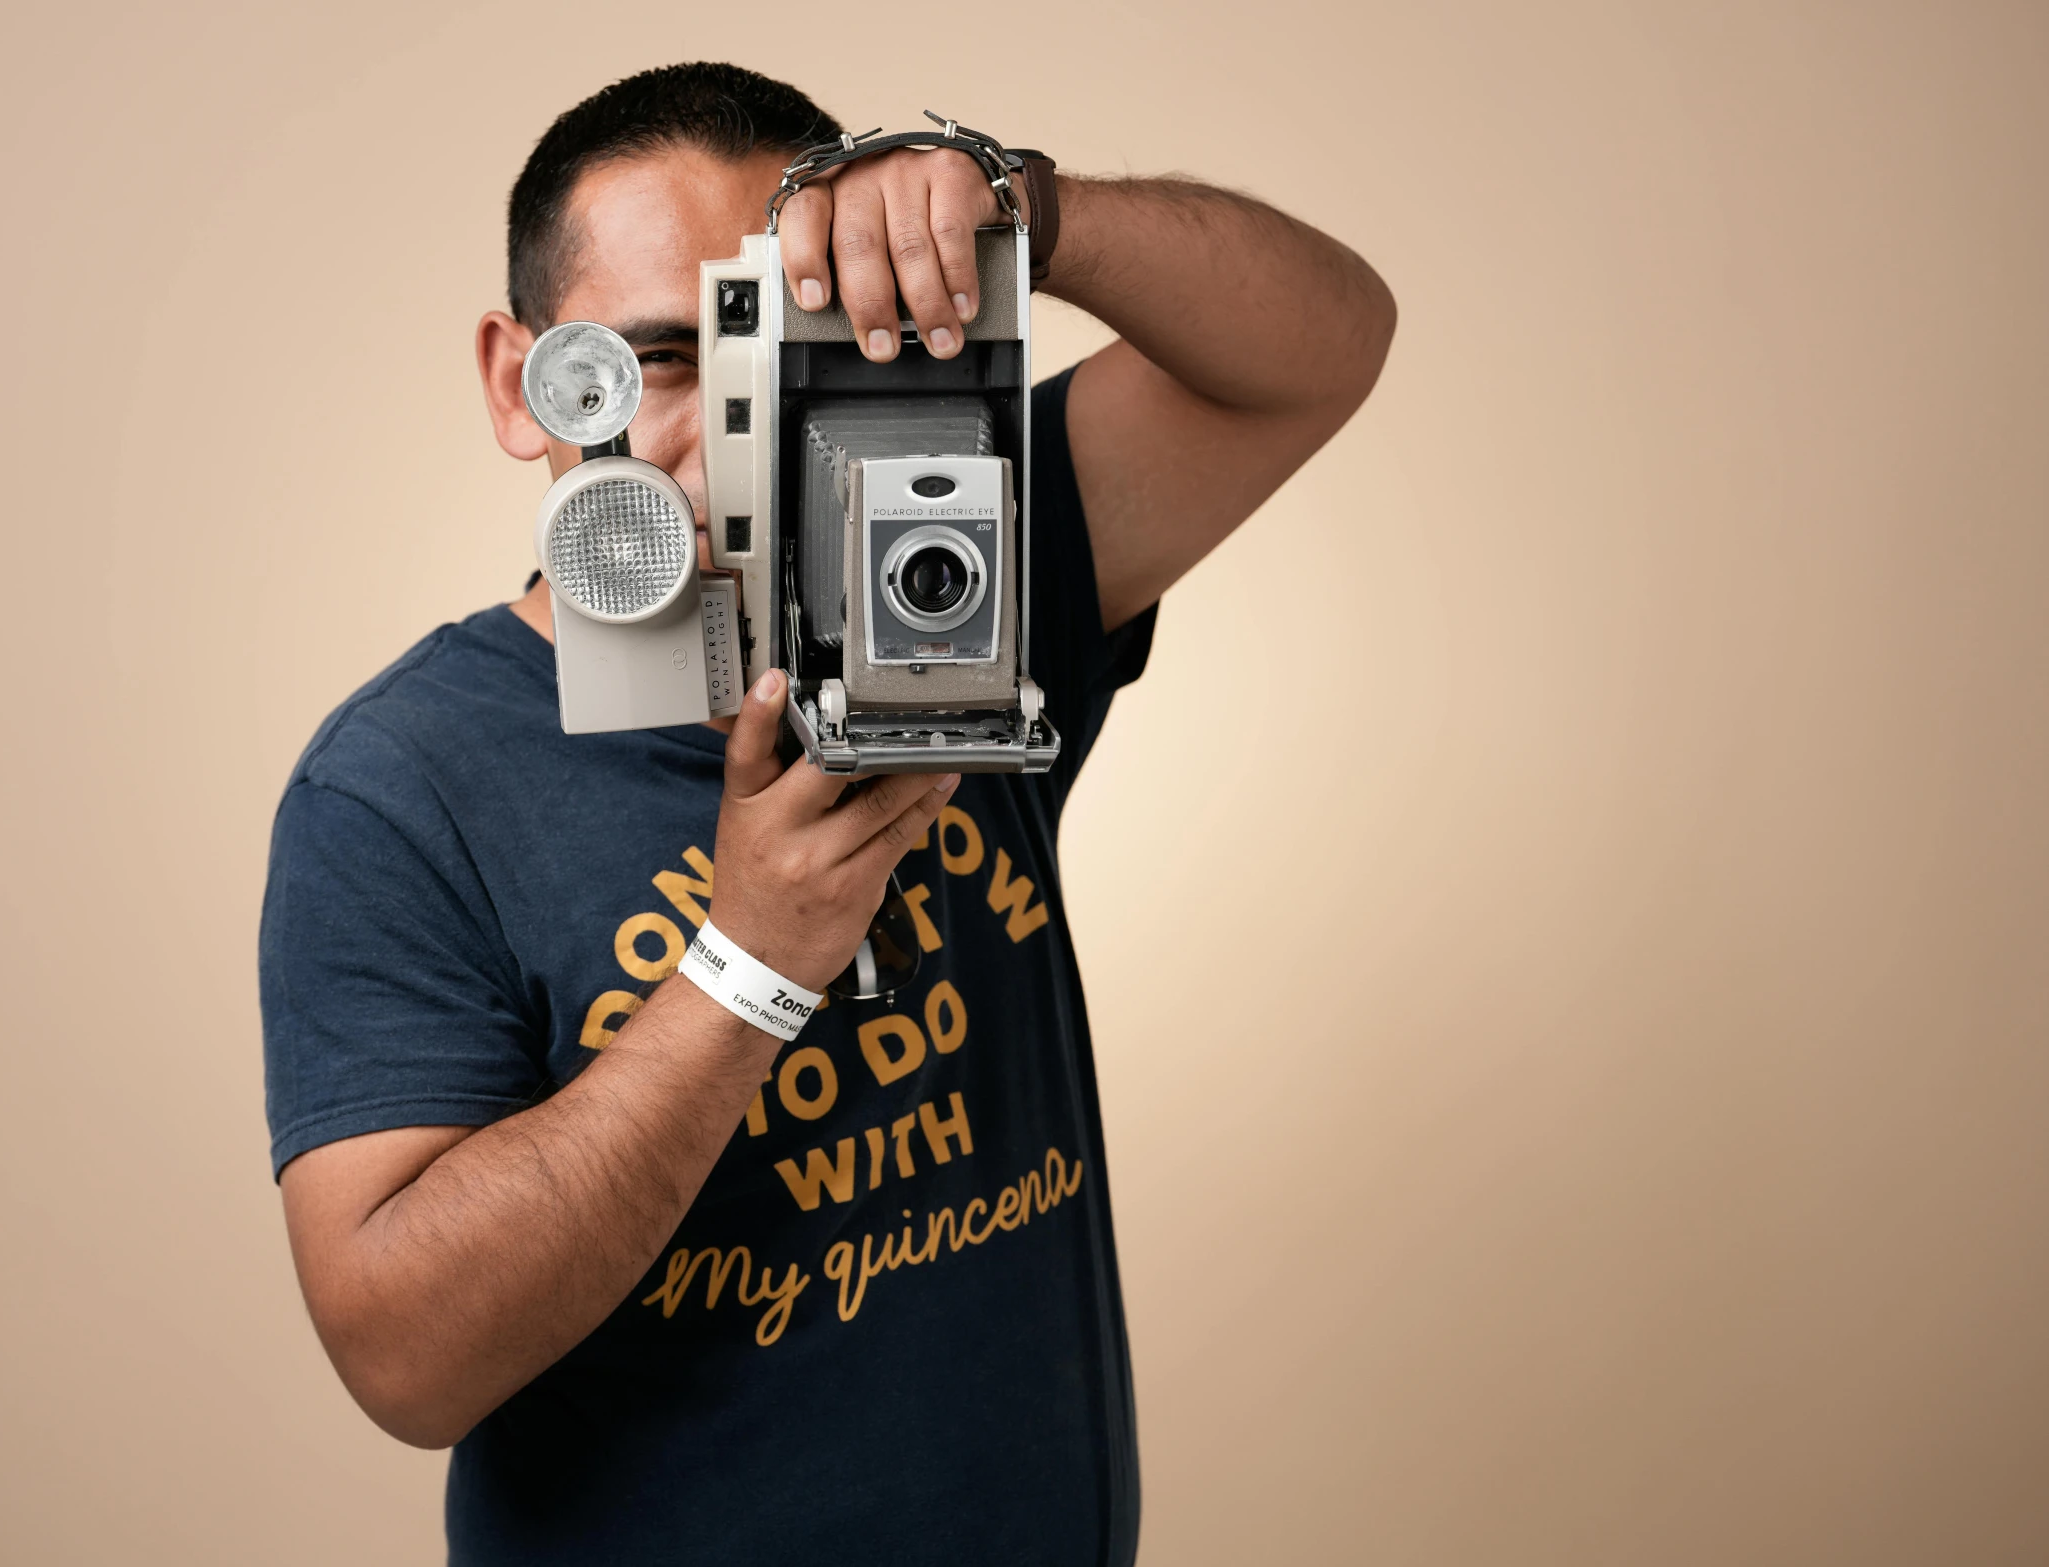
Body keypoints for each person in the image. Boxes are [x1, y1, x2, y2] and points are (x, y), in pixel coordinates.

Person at [259, 61, 1394, 1566]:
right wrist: (747, 960)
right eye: (663, 364)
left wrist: (1025, 217)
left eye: (786, 362)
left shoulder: (947, 568)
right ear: (517, 381)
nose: (733, 446)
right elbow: (405, 1357)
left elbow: (1321, 348)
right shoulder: (399, 787)